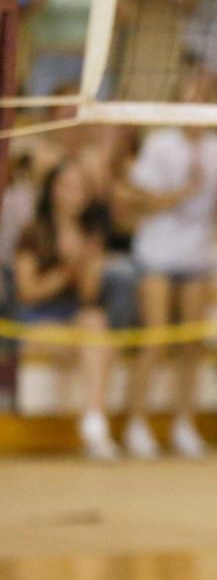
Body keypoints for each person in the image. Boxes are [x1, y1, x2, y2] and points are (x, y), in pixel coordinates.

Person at [123, 74, 217, 459]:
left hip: (198, 253)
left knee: (193, 343)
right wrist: (184, 191)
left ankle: (183, 422)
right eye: (188, 103)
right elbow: (144, 202)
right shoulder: (159, 143)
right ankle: (136, 422)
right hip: (157, 251)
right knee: (156, 338)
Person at [15, 160, 117, 460]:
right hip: (38, 318)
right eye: (66, 186)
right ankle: (95, 424)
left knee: (95, 321)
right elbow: (28, 292)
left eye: (80, 188)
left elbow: (88, 295)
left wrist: (88, 264)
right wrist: (67, 268)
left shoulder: (90, 235)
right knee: (98, 341)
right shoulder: (34, 232)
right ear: (52, 191)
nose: (73, 195)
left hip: (75, 319)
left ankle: (94, 421)